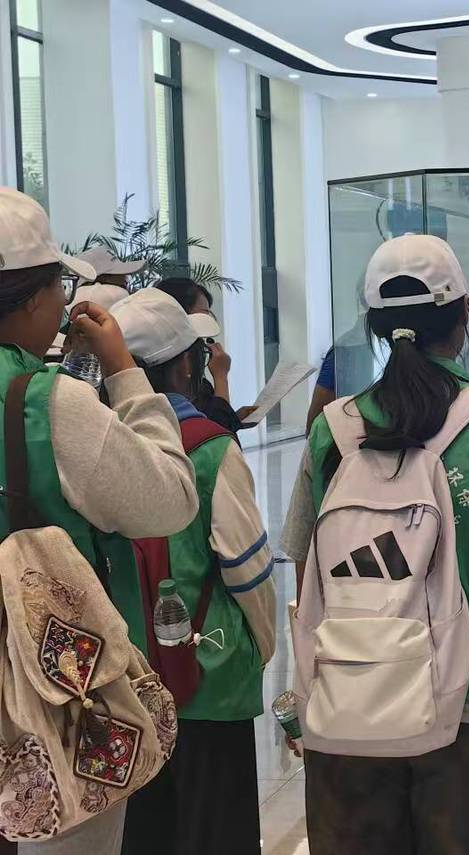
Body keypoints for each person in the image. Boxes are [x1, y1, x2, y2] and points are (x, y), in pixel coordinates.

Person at [281, 234, 469, 855]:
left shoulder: (333, 431)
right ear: (464, 317)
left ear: (376, 327)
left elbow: (307, 576)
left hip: (352, 703)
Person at [0, 188, 198, 854]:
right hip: (57, 700)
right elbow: (170, 498)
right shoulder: (46, 403)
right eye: (58, 287)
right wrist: (123, 371)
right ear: (32, 299)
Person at [112, 289, 276, 855]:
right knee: (216, 829)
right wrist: (262, 648)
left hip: (126, 679)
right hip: (209, 673)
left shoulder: (101, 450)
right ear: (186, 365)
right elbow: (246, 567)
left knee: (143, 830)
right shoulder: (209, 448)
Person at [154, 277, 253, 435]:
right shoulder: (173, 374)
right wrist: (221, 376)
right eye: (204, 314)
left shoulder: (197, 382)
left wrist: (233, 417)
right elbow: (218, 435)